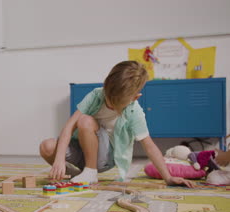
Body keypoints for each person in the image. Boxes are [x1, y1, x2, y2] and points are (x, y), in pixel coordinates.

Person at [39, 61, 195, 188]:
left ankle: (91, 171)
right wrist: (59, 159)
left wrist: (168, 177)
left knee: (85, 120)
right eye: (108, 99)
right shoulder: (96, 95)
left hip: (104, 158)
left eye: (115, 104)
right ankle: (74, 174)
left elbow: (149, 146)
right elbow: (69, 126)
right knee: (47, 146)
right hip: (82, 148)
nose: (110, 105)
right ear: (106, 84)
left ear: (135, 98)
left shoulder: (135, 112)